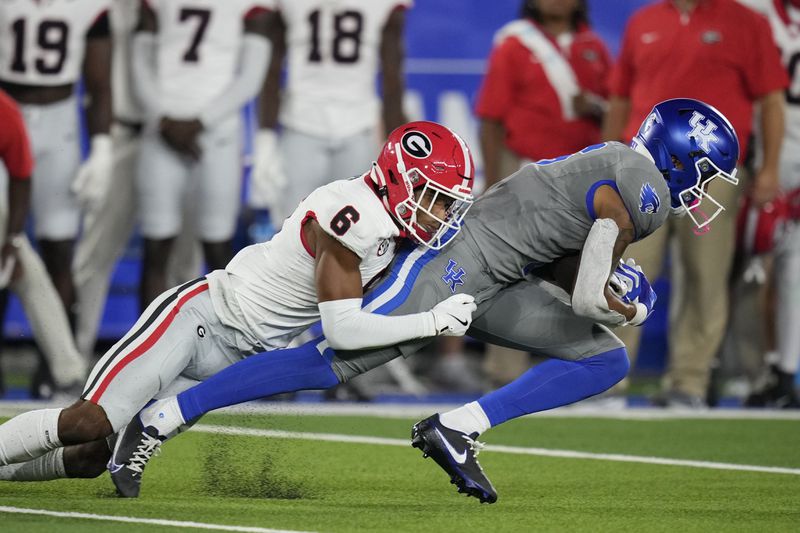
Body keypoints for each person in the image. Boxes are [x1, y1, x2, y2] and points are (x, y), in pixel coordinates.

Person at [0, 99, 734, 502]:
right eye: (707, 174)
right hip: (439, 273)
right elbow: (343, 330)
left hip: (498, 277)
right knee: (330, 363)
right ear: (681, 158)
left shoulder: (617, 169)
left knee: (603, 360)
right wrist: (623, 302)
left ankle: (460, 425)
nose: (442, 209)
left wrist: (610, 292)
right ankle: (167, 412)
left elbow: (563, 250)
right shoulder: (641, 181)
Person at [0, 120, 476, 485]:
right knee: (89, 421)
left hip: (236, 355)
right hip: (202, 319)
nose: (439, 214)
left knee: (89, 460)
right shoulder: (354, 215)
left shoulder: (390, 228)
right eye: (433, 198)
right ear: (397, 178)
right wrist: (432, 323)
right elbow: (342, 329)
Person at [602, 0, 787, 407]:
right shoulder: (643, 22)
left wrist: (769, 168)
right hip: (644, 167)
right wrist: (609, 161)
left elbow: (771, 100)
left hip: (712, 176)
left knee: (705, 275)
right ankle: (606, 381)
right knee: (625, 271)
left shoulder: (746, 22)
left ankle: (688, 383)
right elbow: (619, 98)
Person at [475, 0, 613, 388]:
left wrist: (597, 107)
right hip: (527, 171)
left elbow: (618, 108)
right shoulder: (515, 45)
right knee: (512, 270)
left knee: (586, 270)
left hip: (583, 180)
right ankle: (503, 372)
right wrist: (493, 181)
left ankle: (586, 367)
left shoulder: (594, 47)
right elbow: (490, 118)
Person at [72, 0, 204, 359]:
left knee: (183, 261)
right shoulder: (103, 7)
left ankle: (175, 361)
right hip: (123, 131)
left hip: (180, 138)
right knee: (95, 255)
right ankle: (73, 360)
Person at [0, 0, 112, 393]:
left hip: (58, 122)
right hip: (5, 112)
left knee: (58, 247)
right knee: (3, 242)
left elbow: (99, 80)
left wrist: (101, 147)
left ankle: (53, 369)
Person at [131, 0, 273, 309]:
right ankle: (149, 351)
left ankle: (222, 354)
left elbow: (251, 76)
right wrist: (164, 118)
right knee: (156, 248)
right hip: (164, 129)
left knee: (219, 249)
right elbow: (138, 63)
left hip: (215, 134)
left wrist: (197, 121)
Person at [250, 0, 411, 222]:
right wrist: (265, 137)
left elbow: (392, 74)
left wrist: (265, 136)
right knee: (292, 233)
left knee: (357, 233)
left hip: (348, 125)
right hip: (307, 123)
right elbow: (392, 77)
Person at [0, 88, 86, 394]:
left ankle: (67, 373)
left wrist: (12, 242)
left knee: (29, 272)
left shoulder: (5, 111)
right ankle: (68, 371)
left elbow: (21, 176)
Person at [736, 0, 800, 408]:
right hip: (759, 152)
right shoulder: (751, 9)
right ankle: (749, 369)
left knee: (793, 268)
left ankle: (781, 371)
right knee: (741, 266)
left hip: (784, 152)